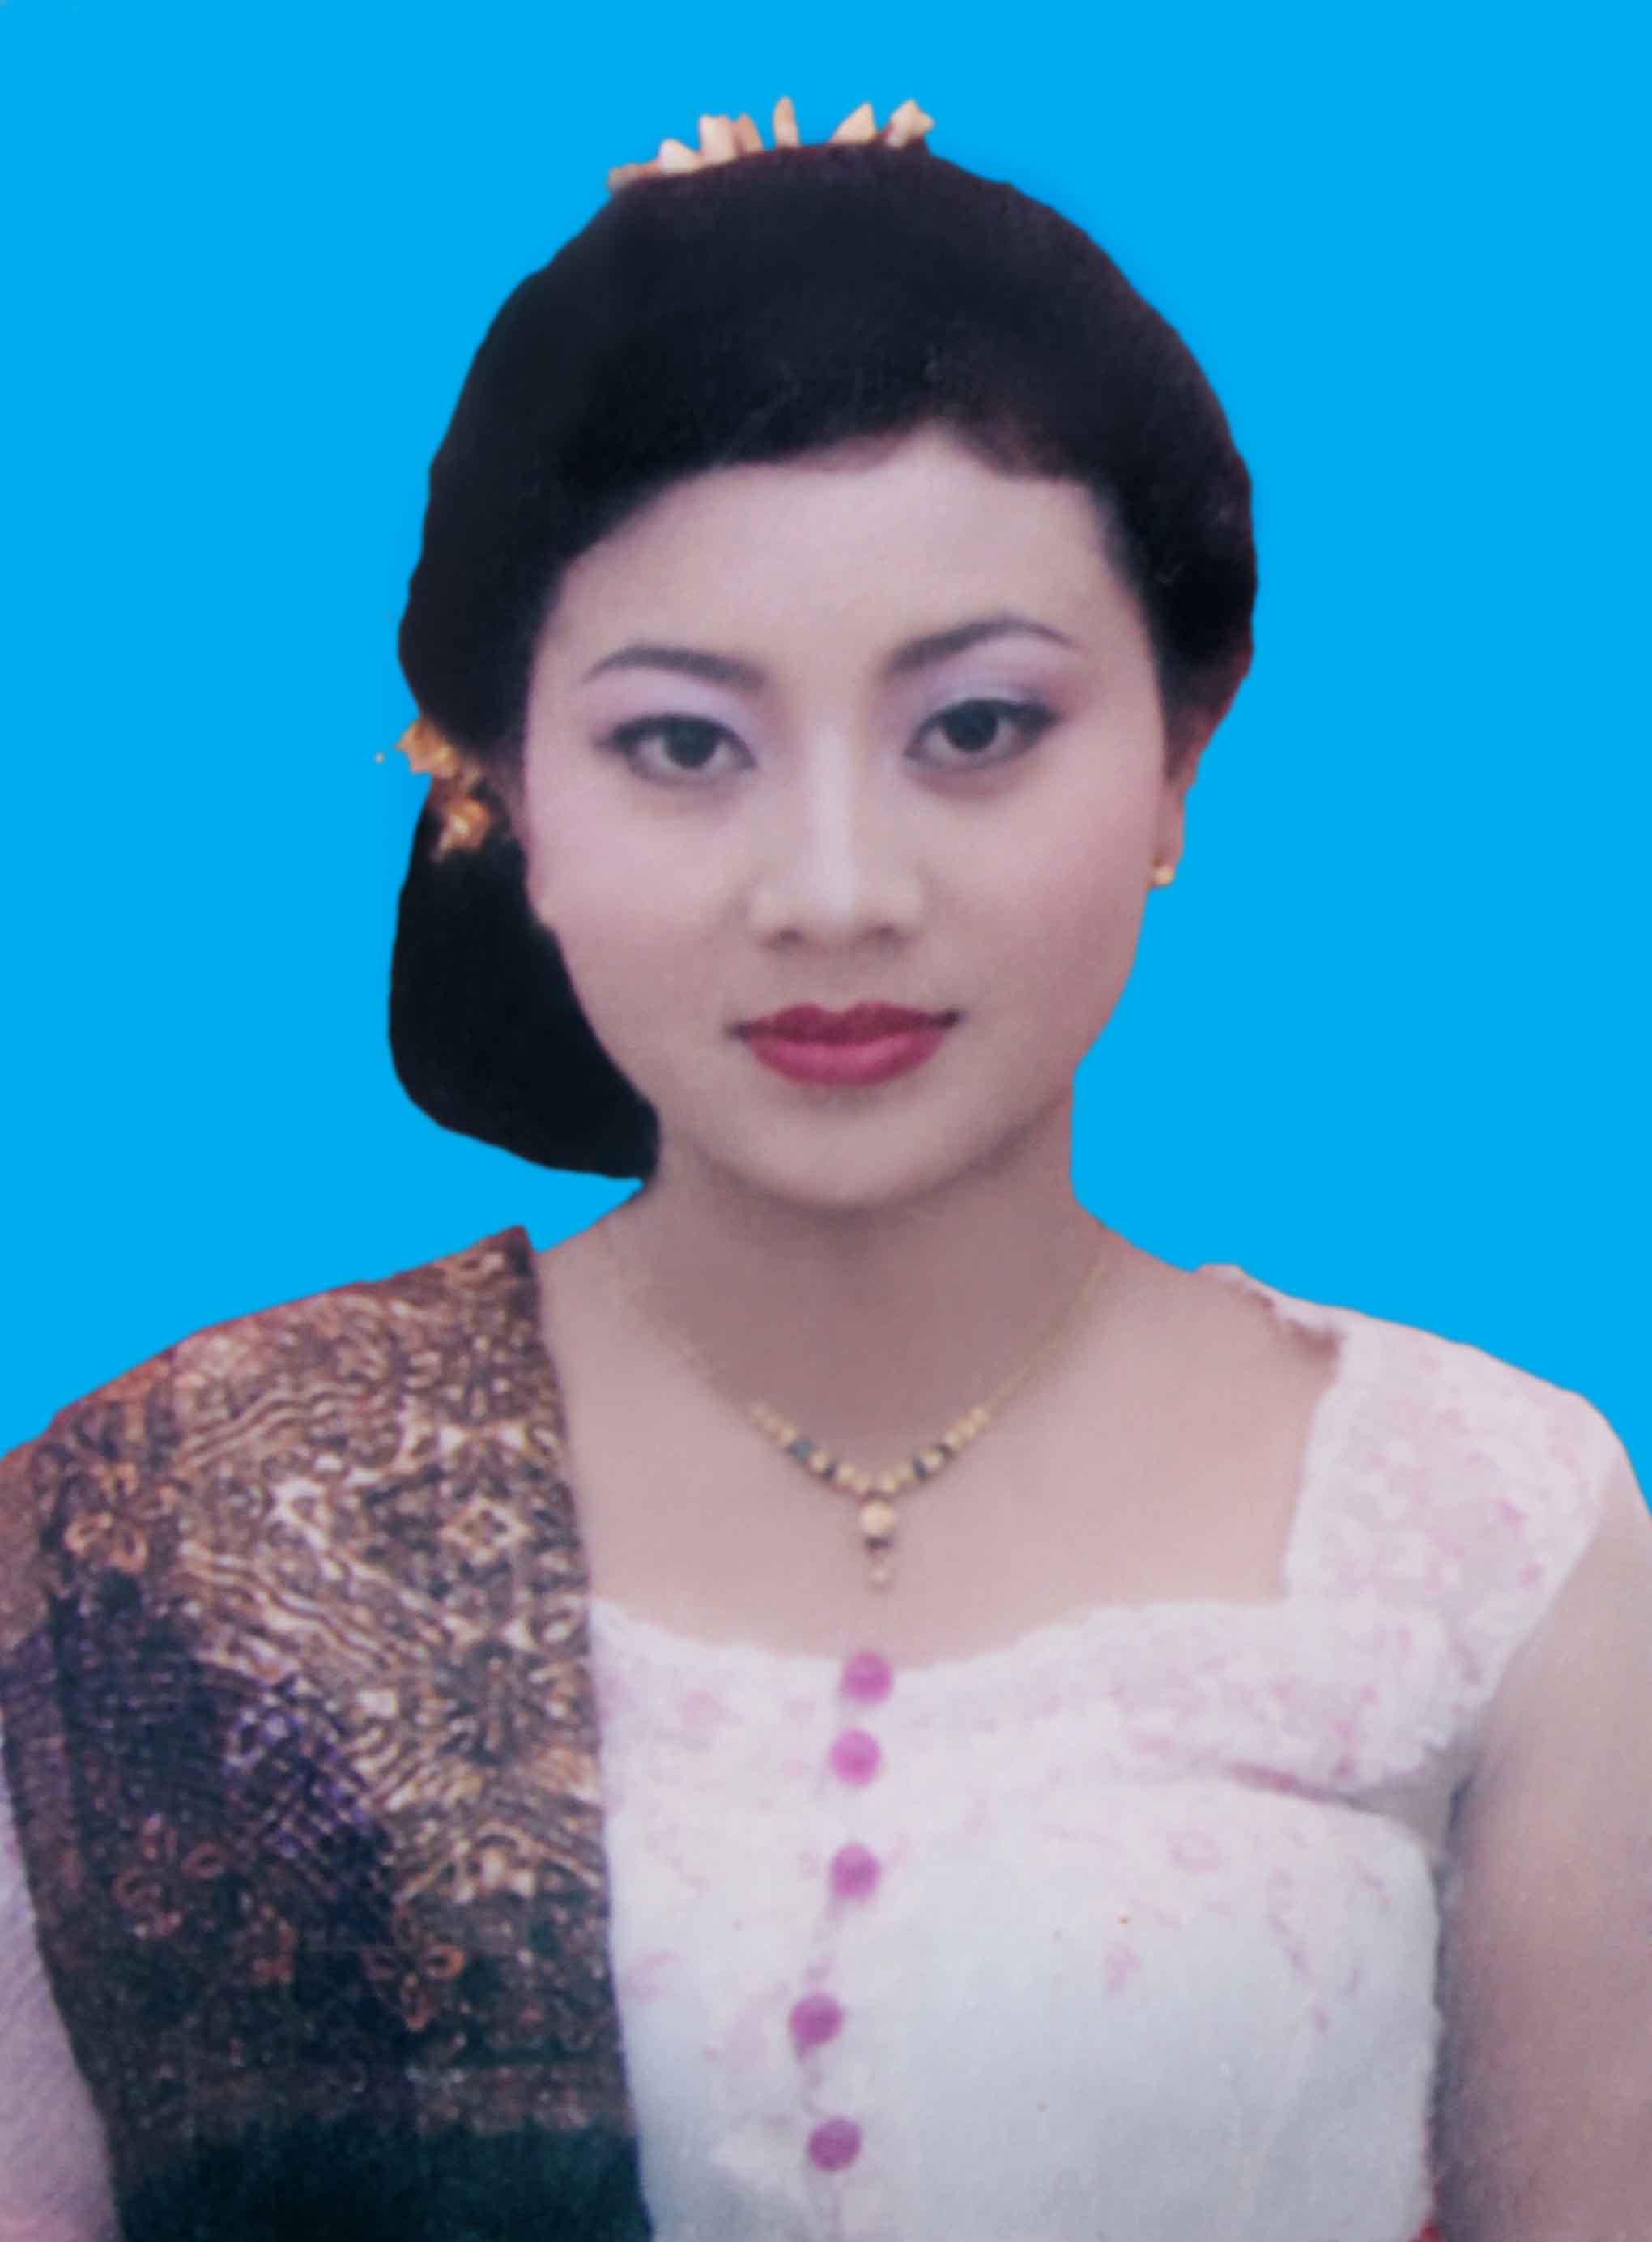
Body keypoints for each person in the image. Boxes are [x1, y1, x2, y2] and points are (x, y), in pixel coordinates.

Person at [1, 94, 1647, 2242]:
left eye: (976, 729)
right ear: (503, 790)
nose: (836, 889)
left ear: (1183, 747)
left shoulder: (1492, 1531)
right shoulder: (165, 1526)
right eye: (683, 745)